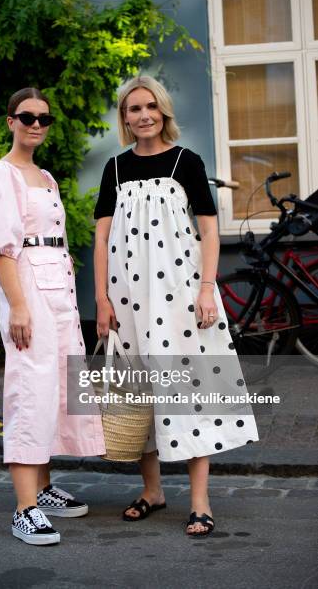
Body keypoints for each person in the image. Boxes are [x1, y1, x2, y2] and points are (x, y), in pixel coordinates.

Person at [93, 76, 259, 537]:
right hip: (128, 299)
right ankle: (152, 491)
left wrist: (208, 289)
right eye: (133, 109)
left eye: (150, 106)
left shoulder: (188, 161)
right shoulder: (116, 167)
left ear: (163, 111)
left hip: (182, 297)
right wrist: (101, 298)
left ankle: (200, 500)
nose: (142, 115)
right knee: (139, 392)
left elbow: (209, 230)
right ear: (124, 118)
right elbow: (102, 236)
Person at [0, 87, 105, 545]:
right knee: (30, 389)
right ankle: (24, 507)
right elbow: (2, 248)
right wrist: (18, 305)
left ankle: (45, 488)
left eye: (43, 118)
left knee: (58, 385)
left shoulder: (47, 177)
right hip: (27, 286)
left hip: (59, 289)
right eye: (27, 116)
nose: (36, 124)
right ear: (10, 120)